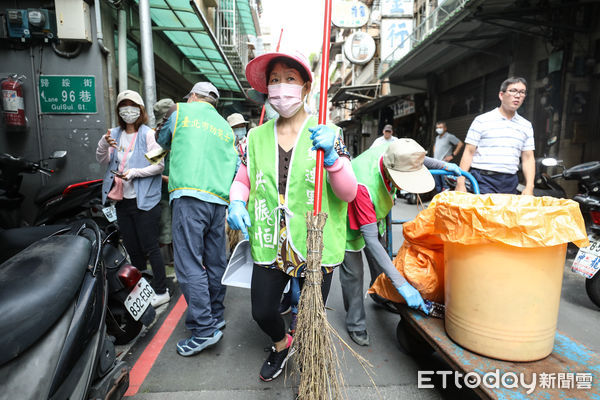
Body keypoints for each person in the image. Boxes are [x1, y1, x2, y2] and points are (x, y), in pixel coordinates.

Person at [227, 50, 358, 382]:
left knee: (310, 316)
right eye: (274, 80)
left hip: (315, 241)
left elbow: (348, 193)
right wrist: (236, 201)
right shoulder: (255, 137)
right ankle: (281, 344)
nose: (281, 88)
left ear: (306, 87)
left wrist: (332, 158)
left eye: (289, 79)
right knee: (262, 310)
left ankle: (309, 363)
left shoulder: (328, 134)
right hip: (271, 239)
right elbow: (244, 178)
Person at [341, 139, 461, 346]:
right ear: (390, 170)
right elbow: (370, 239)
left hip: (373, 213)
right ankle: (356, 324)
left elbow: (416, 159)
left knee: (381, 263)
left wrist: (444, 165)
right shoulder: (363, 184)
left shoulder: (393, 150)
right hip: (346, 221)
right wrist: (402, 284)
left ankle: (380, 295)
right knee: (354, 274)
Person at [156, 82, 238, 357]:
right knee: (216, 262)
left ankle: (204, 329)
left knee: (189, 263)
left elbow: (161, 143)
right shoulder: (226, 128)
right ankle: (215, 314)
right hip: (218, 202)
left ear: (192, 96)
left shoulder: (180, 112)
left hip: (189, 197)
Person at [96, 90, 170, 308]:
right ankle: (142, 291)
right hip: (123, 200)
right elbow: (103, 160)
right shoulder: (114, 134)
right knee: (132, 248)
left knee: (150, 246)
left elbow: (158, 166)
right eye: (124, 107)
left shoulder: (149, 135)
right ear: (119, 111)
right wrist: (103, 142)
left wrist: (134, 172)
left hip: (145, 200)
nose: (128, 111)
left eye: (132, 106)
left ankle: (161, 290)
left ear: (140, 110)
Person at [455, 77, 535, 194]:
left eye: (522, 92)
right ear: (501, 95)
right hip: (482, 179)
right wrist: (460, 183)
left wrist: (529, 187)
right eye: (513, 91)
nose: (518, 95)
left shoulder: (526, 126)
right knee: (484, 212)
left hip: (510, 182)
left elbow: (528, 158)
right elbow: (469, 152)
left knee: (507, 212)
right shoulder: (482, 120)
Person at [154, 98, 176, 266]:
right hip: (162, 193)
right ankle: (168, 262)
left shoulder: (182, 135)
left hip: (180, 192)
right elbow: (151, 165)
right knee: (165, 228)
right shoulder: (157, 139)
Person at [432, 121, 464, 192]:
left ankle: (445, 202)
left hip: (444, 165)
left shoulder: (449, 136)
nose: (438, 129)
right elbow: (435, 146)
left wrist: (452, 155)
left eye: (440, 127)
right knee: (438, 185)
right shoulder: (437, 138)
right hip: (436, 164)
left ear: (445, 128)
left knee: (445, 186)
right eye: (437, 128)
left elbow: (460, 144)